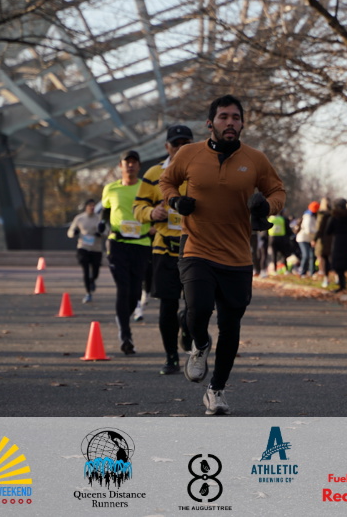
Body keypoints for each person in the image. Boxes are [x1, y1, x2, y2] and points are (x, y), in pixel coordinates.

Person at [159, 94, 286, 416]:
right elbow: (167, 180)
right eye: (223, 117)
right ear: (210, 123)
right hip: (197, 247)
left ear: (242, 124)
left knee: (230, 327)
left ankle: (216, 390)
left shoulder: (255, 159)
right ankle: (200, 344)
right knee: (198, 309)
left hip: (237, 255)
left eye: (235, 118)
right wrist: (175, 201)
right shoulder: (189, 154)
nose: (230, 122)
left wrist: (266, 207)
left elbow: (277, 191)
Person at [134, 124, 195, 375]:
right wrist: (151, 213)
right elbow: (138, 208)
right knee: (167, 305)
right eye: (176, 143)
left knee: (196, 306)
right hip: (164, 249)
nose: (180, 148)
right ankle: (171, 357)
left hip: (195, 248)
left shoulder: (203, 172)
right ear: (167, 147)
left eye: (185, 143)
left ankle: (187, 328)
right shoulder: (153, 173)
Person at [101, 150, 151, 356]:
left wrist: (155, 225)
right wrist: (102, 224)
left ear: (139, 166)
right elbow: (105, 211)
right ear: (120, 166)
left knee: (135, 292)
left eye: (134, 162)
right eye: (126, 162)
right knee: (123, 288)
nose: (130, 165)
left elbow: (154, 210)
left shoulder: (146, 188)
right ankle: (125, 334)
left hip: (141, 243)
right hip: (118, 243)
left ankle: (122, 318)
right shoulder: (110, 188)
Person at [67, 199, 105, 302]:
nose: (92, 208)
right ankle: (88, 292)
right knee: (86, 270)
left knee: (95, 271)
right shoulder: (79, 218)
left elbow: (107, 231)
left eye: (93, 206)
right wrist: (74, 233)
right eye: (90, 206)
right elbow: (70, 232)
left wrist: (101, 233)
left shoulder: (99, 219)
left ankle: (92, 280)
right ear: (86, 207)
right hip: (83, 247)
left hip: (96, 248)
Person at [295, 201, 319, 276]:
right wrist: (317, 232)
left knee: (312, 256)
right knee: (306, 255)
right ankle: (302, 272)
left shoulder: (313, 216)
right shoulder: (308, 217)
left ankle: (312, 272)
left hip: (310, 239)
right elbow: (308, 230)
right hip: (303, 239)